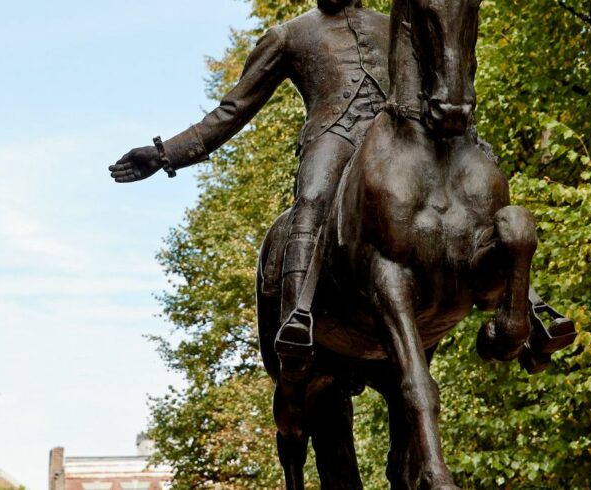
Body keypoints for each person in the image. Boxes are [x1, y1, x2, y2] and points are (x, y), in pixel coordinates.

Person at [109, 0, 389, 360]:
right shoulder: (289, 36)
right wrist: (166, 154)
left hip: (396, 139)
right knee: (313, 198)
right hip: (334, 136)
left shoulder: (397, 28)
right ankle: (296, 317)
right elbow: (234, 109)